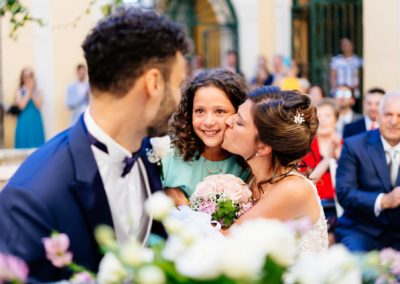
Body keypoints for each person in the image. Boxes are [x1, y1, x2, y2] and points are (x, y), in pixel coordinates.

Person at [0, 7, 189, 282]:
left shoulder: (144, 150)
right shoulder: (31, 198)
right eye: (179, 84)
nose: (181, 97)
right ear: (154, 83)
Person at [222, 86, 328, 254]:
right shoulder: (250, 178)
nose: (228, 121)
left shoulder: (293, 189)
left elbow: (226, 242)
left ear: (263, 147)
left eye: (240, 122)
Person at [163, 68, 249, 205]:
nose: (208, 122)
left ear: (238, 113)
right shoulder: (168, 154)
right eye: (200, 111)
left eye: (219, 111)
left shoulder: (246, 161)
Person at [335, 91, 400, 252]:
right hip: (361, 230)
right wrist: (383, 200)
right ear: (377, 116)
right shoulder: (354, 146)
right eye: (388, 115)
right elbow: (344, 192)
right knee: (357, 268)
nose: (394, 121)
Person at [302, 98, 342, 245]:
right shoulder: (308, 146)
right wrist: (328, 158)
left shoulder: (346, 146)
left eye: (328, 116)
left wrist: (338, 154)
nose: (323, 120)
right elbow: (309, 180)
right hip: (316, 204)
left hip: (340, 204)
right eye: (320, 116)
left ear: (336, 120)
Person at [14, 67, 45, 148]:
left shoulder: (38, 91)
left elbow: (38, 106)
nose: (28, 78)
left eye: (30, 75)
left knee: (37, 144)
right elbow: (21, 106)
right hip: (24, 121)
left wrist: (32, 91)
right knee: (23, 143)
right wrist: (28, 91)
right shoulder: (19, 91)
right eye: (25, 76)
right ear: (22, 78)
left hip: (35, 120)